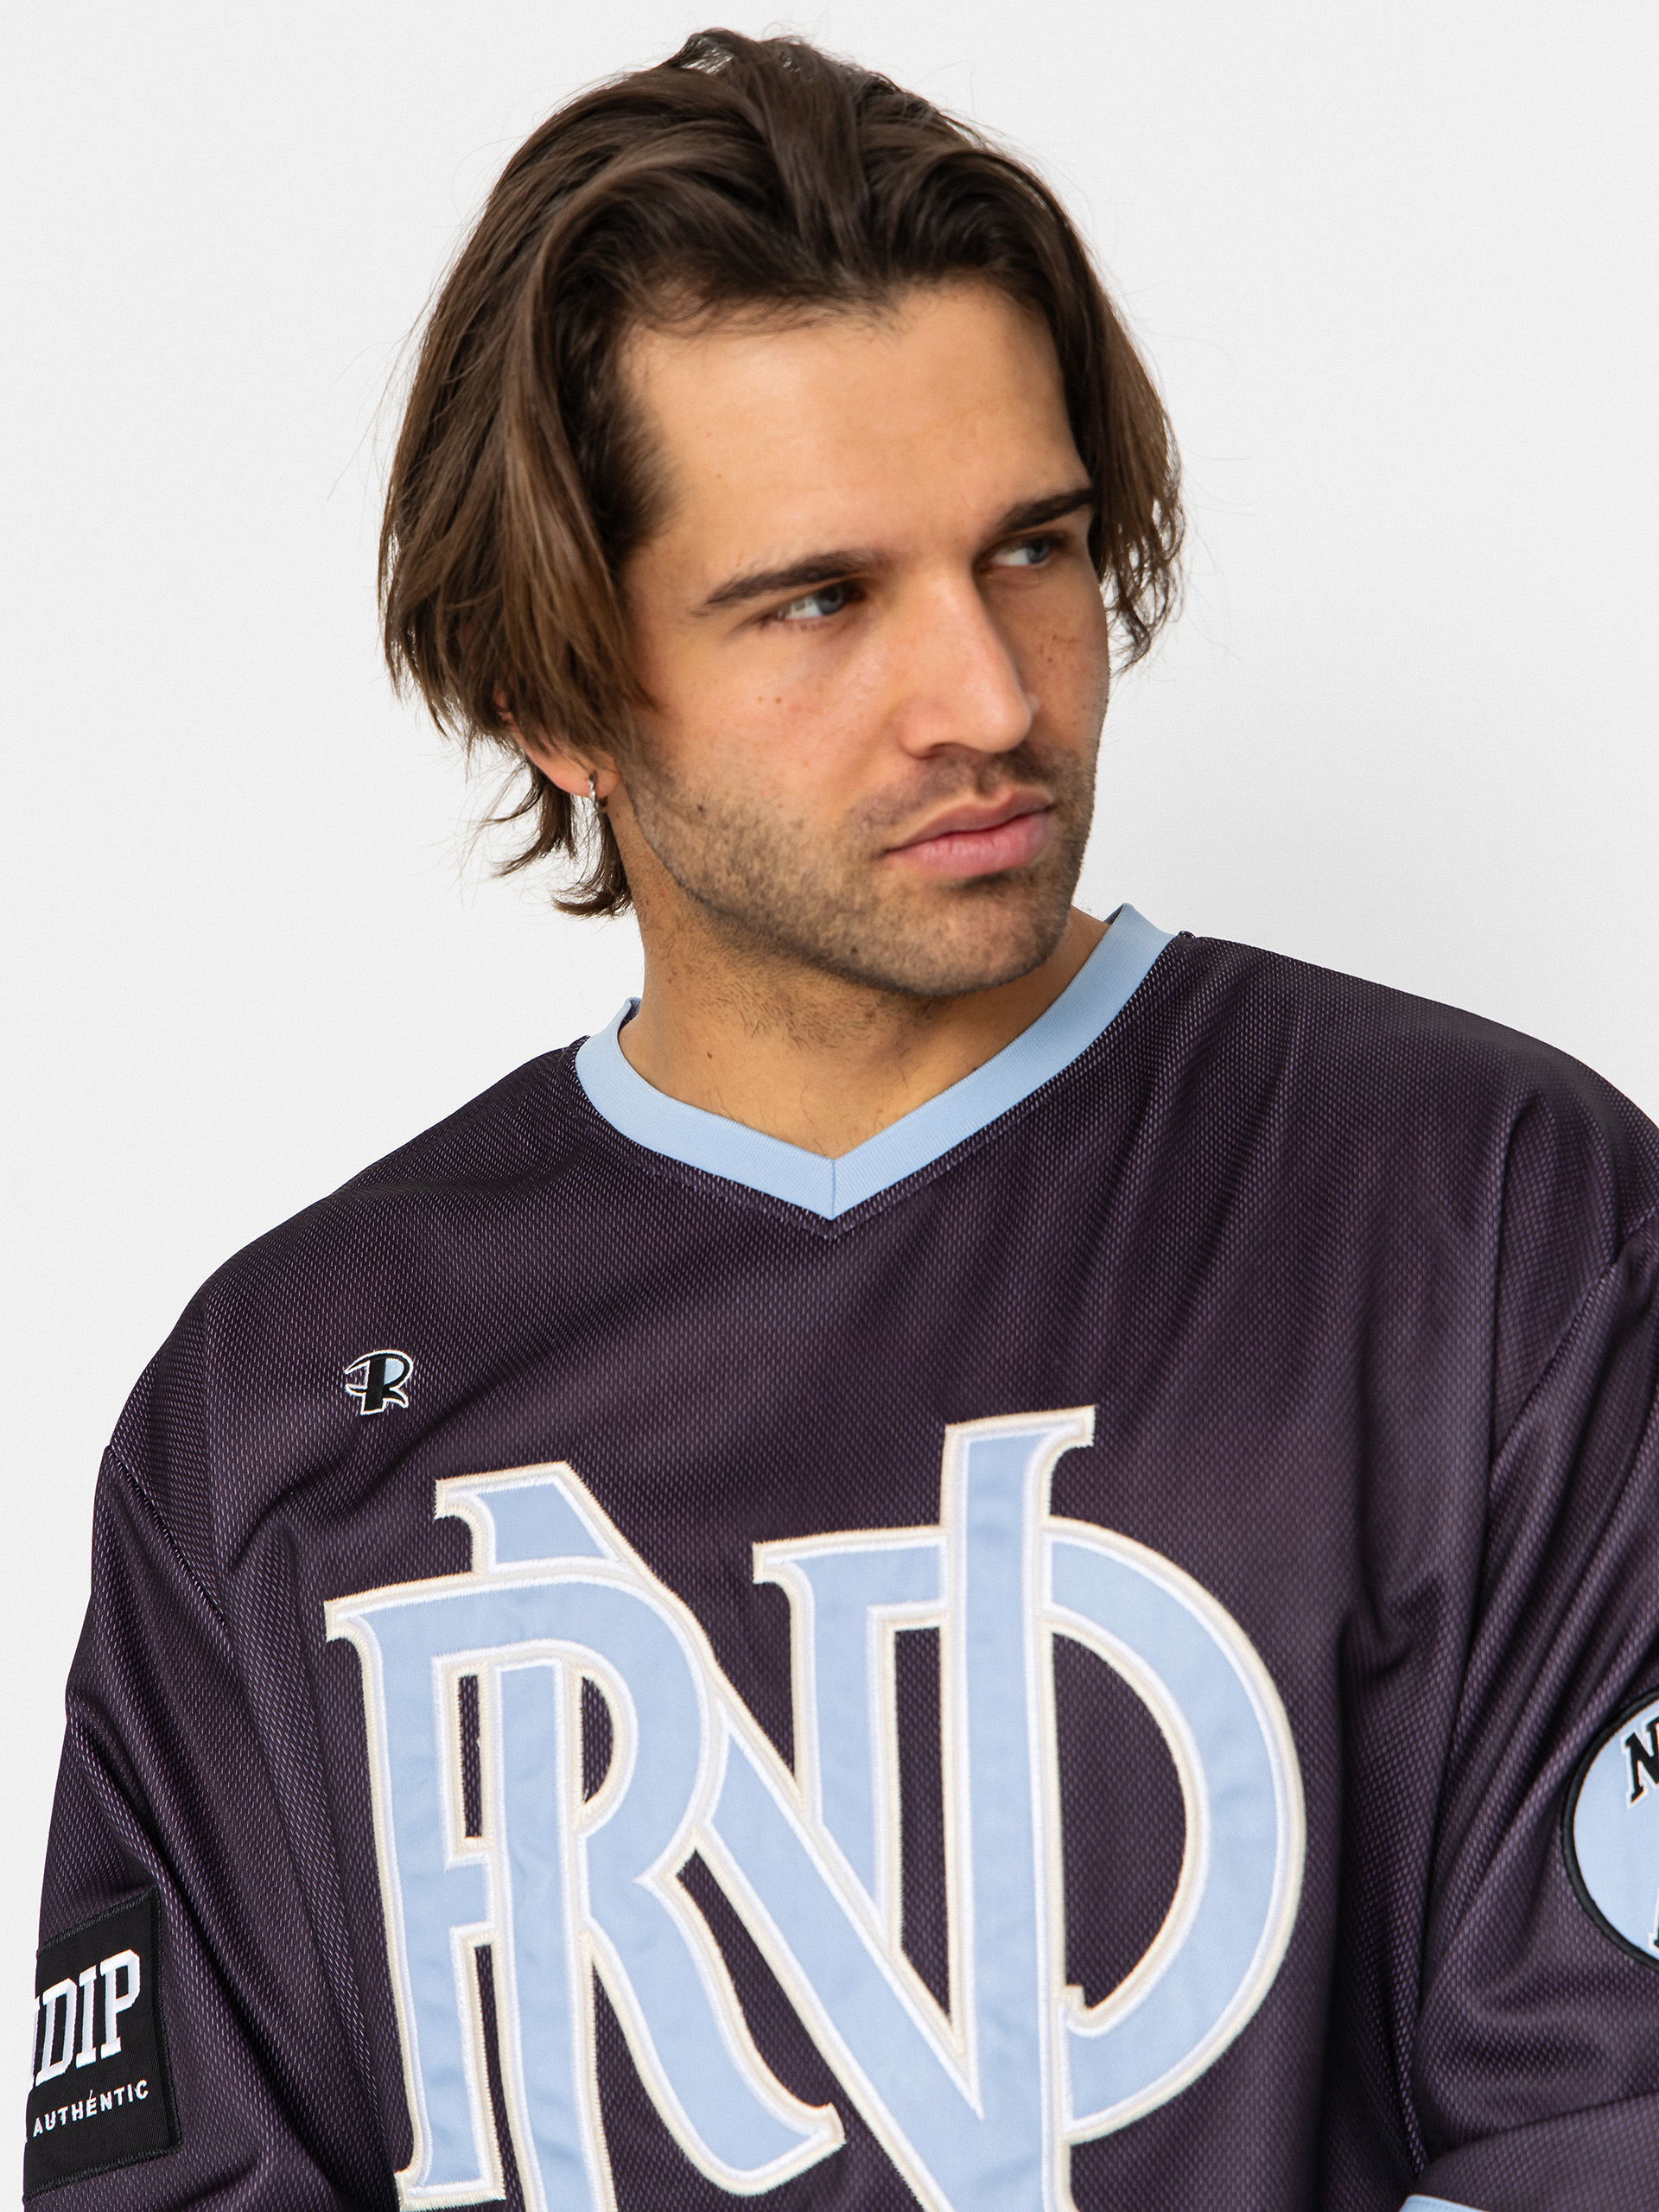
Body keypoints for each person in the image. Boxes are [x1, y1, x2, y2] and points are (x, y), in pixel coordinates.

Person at [22, 29, 1659, 2212]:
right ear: (548, 688)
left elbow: (1603, 2128)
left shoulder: (1498, 1233)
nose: (988, 697)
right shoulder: (273, 1410)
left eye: (1034, 549)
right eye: (820, 597)